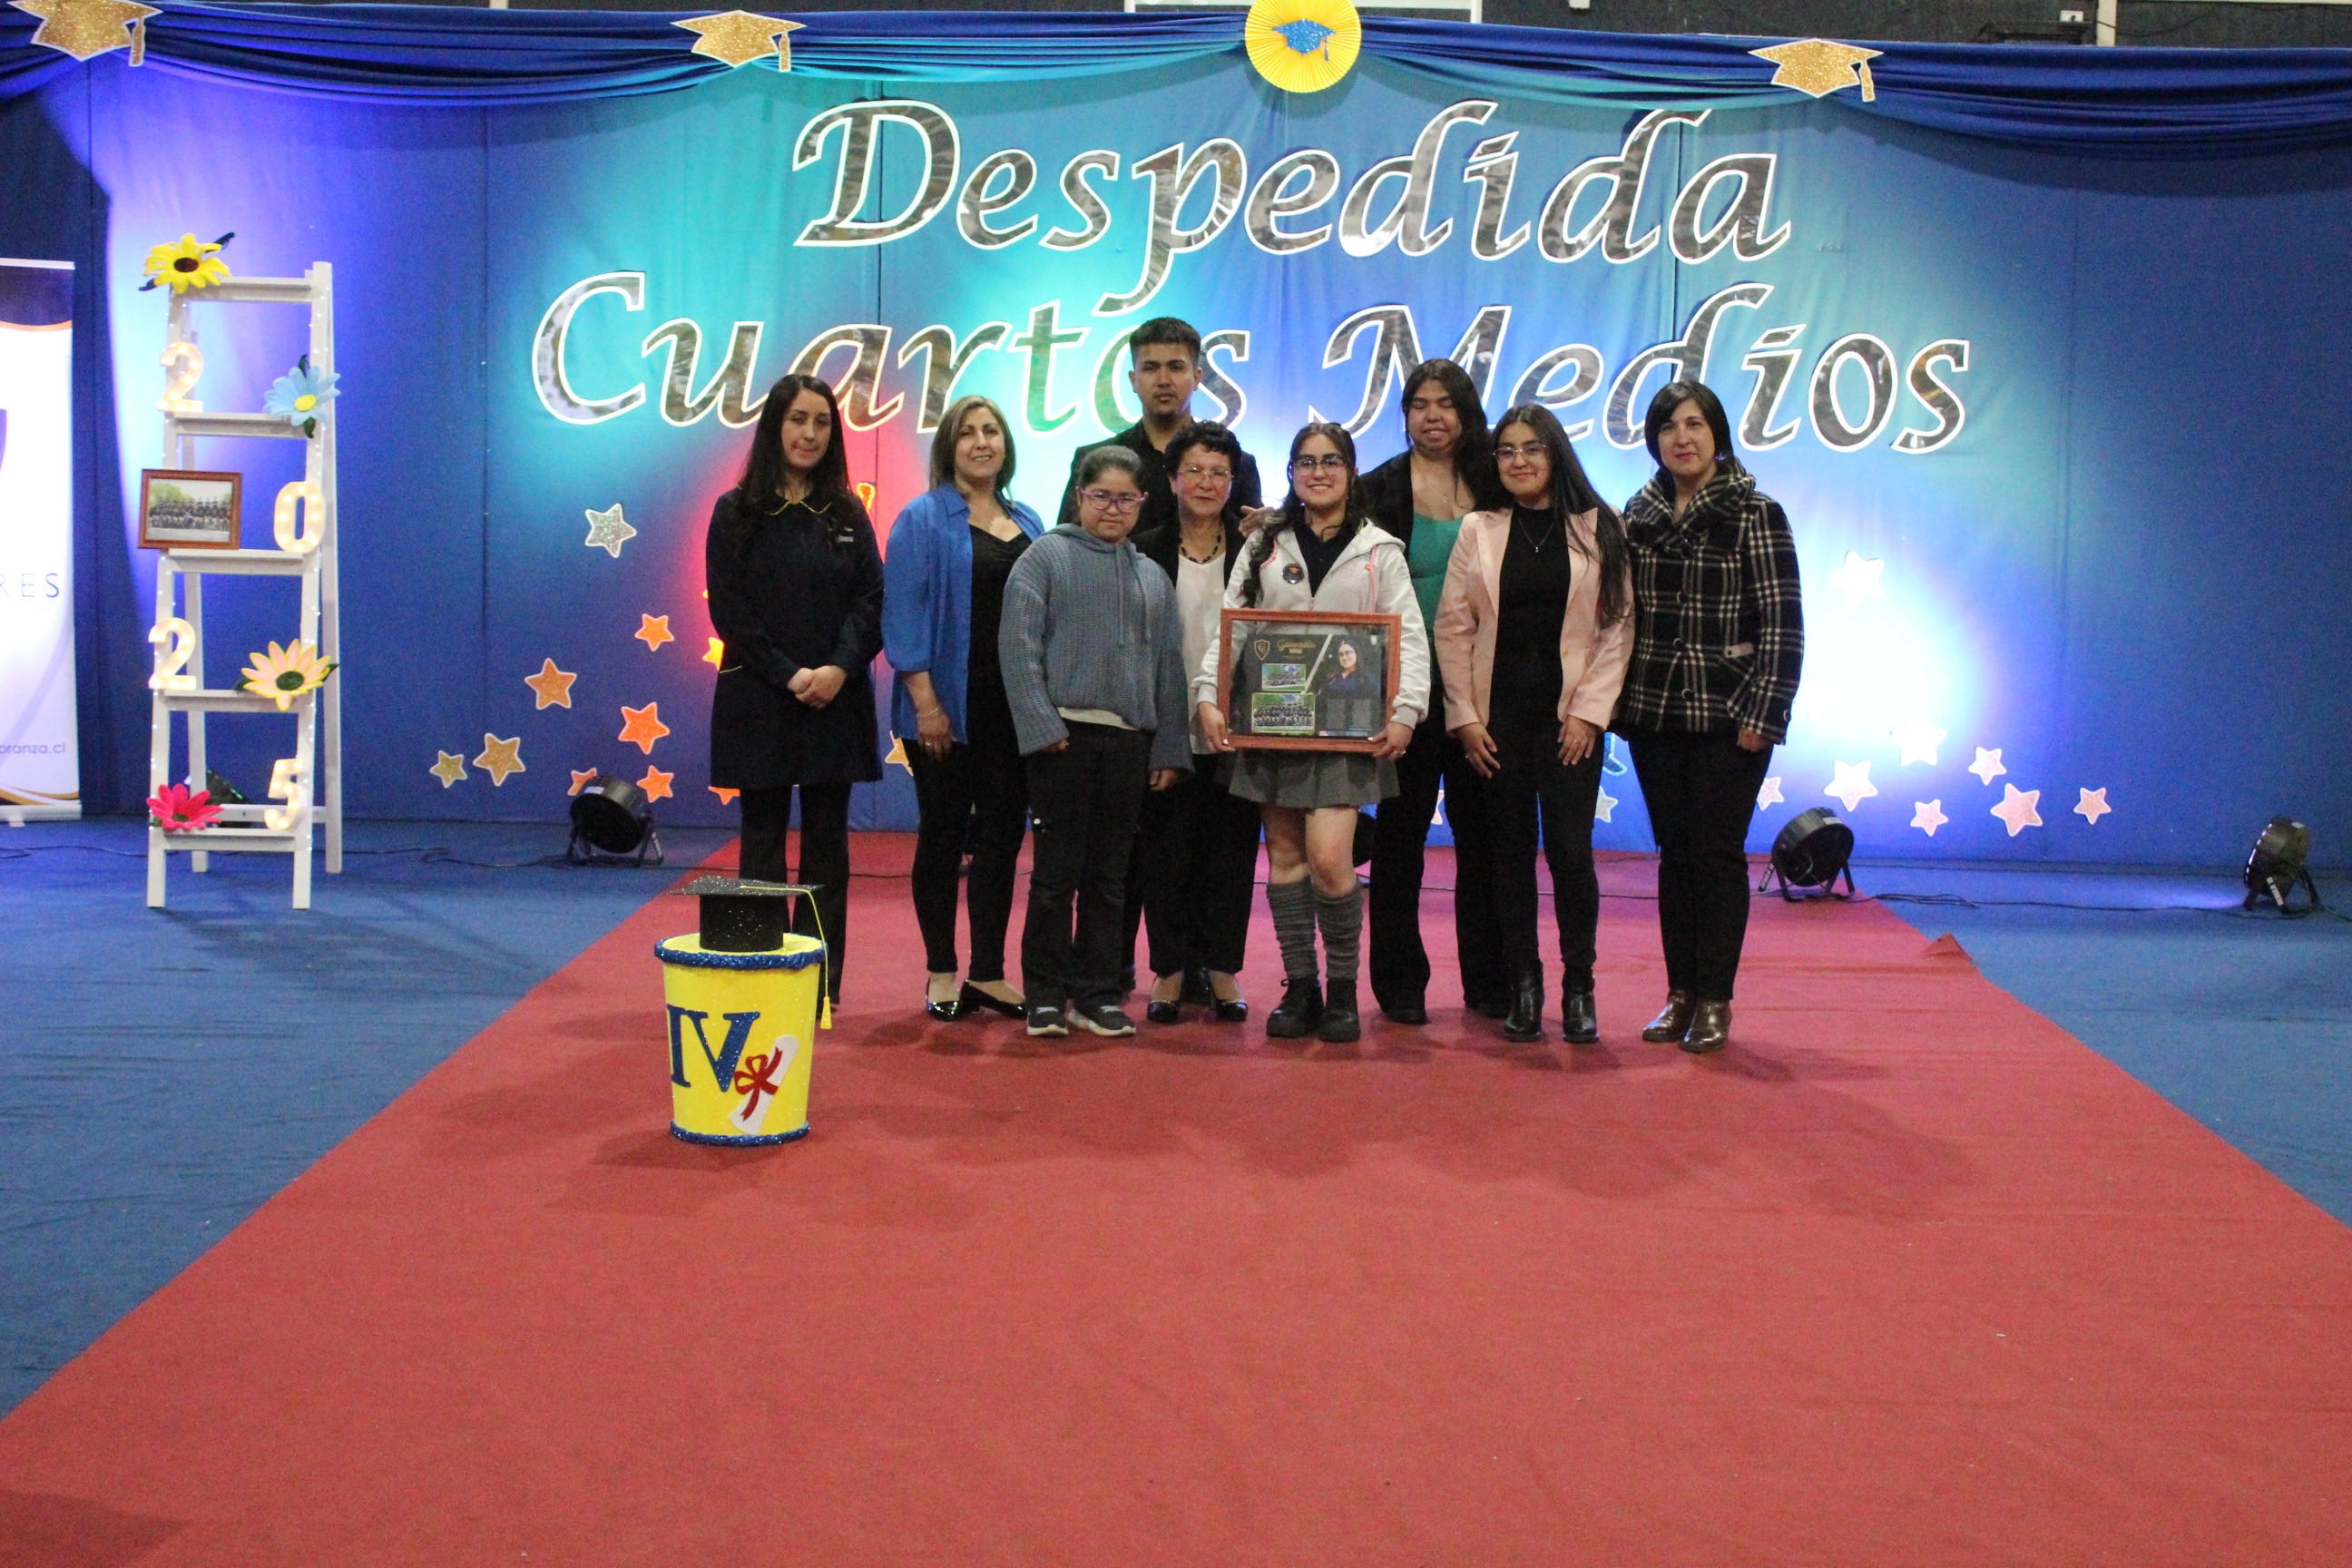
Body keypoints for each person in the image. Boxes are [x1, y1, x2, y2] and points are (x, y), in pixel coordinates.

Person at [1196, 423, 1428, 1046]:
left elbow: (1408, 635)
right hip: (1273, 720)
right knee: (1285, 857)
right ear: (1291, 471)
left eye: (1330, 461)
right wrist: (1209, 696)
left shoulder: (1381, 550)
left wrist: (1406, 710)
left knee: (1330, 859)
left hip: (1348, 727)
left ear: (1350, 470)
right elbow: (1233, 624)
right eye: (1305, 462)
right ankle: (1302, 986)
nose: (1318, 472)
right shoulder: (1263, 544)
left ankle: (1344, 987)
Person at [1612, 379, 1804, 1054]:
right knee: (1675, 857)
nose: (1682, 438)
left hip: (1731, 716)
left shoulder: (1757, 511)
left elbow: (1783, 625)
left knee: (1717, 857)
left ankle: (1716, 999)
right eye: (1669, 427)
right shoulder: (1636, 514)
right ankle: (1680, 994)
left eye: (1694, 424)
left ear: (1718, 434)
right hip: (1655, 712)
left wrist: (1765, 712)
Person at [1433, 405, 1632, 1044]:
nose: (1518, 461)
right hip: (1496, 726)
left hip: (1570, 725)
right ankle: (1525, 984)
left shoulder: (1600, 527)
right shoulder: (1479, 529)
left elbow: (1617, 627)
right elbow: (1453, 628)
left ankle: (1580, 988)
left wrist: (1588, 715)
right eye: (1507, 450)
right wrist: (1464, 717)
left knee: (1571, 854)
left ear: (1556, 454)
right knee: (1508, 857)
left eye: (1532, 448)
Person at [999, 446, 1191, 1039]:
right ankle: (1044, 997)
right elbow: (1018, 648)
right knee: (1055, 878)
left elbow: (1169, 668)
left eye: (1126, 498)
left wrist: (1169, 748)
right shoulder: (1044, 558)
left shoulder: (1152, 577)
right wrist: (1042, 727)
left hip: (1129, 744)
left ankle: (1097, 995)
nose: (1113, 508)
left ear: (1142, 503)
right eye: (1101, 495)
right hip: (1063, 741)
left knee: (1111, 880)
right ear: (1079, 497)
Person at [705, 372, 883, 1010]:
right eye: (798, 419)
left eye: (822, 422)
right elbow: (730, 611)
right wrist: (788, 673)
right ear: (774, 427)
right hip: (760, 699)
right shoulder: (735, 512)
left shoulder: (847, 511)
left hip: (836, 701)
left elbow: (870, 600)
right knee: (761, 839)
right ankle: (762, 980)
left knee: (827, 846)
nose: (810, 433)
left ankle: (816, 989)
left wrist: (837, 669)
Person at [1357, 359, 1512, 1024]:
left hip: (1484, 695)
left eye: (1445, 403)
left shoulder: (1498, 480)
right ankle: (1399, 984)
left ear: (1467, 411)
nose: (1432, 416)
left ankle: (1490, 981)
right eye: (1419, 404)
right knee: (1399, 844)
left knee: (1485, 843)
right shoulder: (1377, 487)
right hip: (1405, 697)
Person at [882, 394, 1045, 1024]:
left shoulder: (1028, 520)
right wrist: (927, 705)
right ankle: (942, 970)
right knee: (944, 837)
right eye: (968, 432)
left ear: (1006, 445)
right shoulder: (921, 518)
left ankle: (989, 973)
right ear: (949, 447)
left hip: (1013, 713)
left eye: (992, 431)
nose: (982, 442)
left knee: (1002, 841)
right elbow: (903, 617)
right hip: (943, 710)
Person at [1126, 422, 1261, 1024]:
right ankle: (1171, 969)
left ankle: (1223, 968)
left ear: (1234, 482)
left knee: (1232, 850)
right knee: (1166, 852)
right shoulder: (1144, 549)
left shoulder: (1260, 551)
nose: (1206, 483)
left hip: (1240, 725)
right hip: (1166, 725)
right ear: (1172, 479)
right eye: (1195, 471)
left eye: (1219, 473)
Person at [1059, 317, 1262, 538]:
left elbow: (1254, 548)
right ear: (1133, 380)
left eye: (1176, 367)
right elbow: (1065, 545)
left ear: (1197, 378)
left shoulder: (1237, 465)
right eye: (1150, 368)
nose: (1163, 380)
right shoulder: (1092, 460)